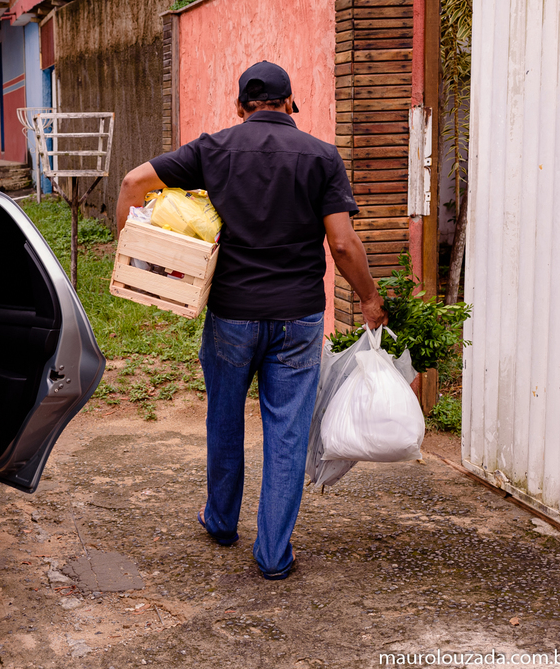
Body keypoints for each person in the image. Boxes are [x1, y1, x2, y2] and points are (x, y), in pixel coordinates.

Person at [115, 61, 387, 580]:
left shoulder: (214, 149)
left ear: (241, 107)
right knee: (286, 433)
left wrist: (132, 246)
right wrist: (370, 299)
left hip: (231, 316)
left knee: (224, 418)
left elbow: (133, 181)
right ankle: (273, 555)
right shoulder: (321, 157)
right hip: (298, 320)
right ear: (291, 105)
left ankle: (220, 522)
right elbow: (343, 244)